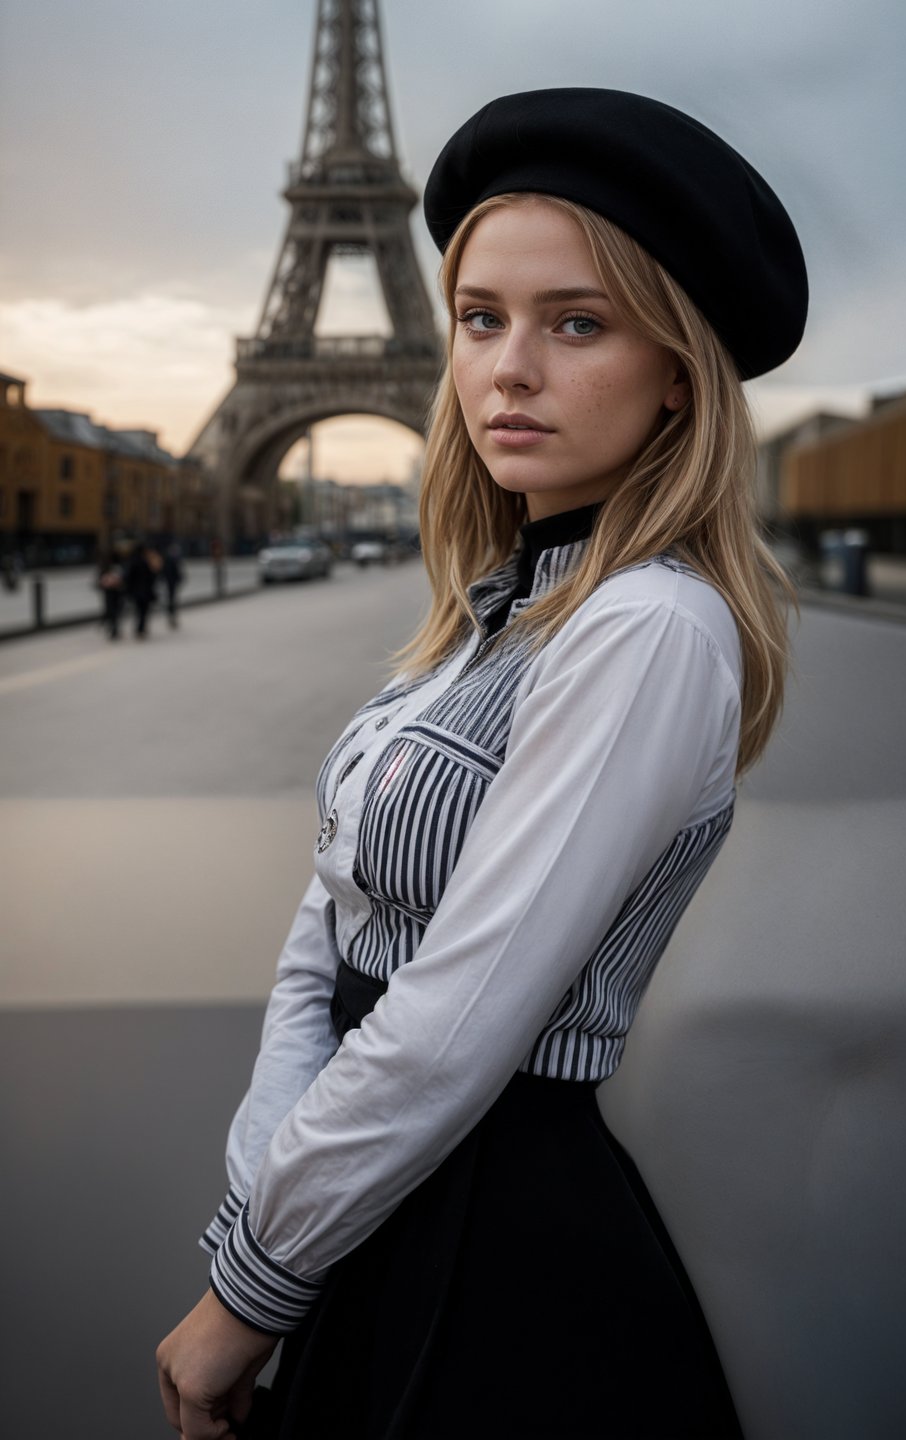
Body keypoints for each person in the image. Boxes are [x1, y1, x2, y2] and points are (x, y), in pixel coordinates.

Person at [156, 88, 808, 1440]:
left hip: (494, 1248)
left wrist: (248, 1292)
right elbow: (327, 928)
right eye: (481, 318)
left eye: (578, 322)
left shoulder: (646, 627)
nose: (510, 367)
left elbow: (455, 1024)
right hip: (367, 1214)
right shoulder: (486, 619)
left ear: (679, 365)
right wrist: (262, 1202)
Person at [124, 540, 159, 638]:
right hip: (145, 591)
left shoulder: (131, 561)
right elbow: (152, 577)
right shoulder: (145, 562)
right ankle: (141, 628)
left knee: (138, 610)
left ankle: (139, 628)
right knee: (144, 611)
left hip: (136, 591)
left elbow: (128, 577)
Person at [95, 549, 125, 639]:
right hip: (113, 593)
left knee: (113, 611)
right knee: (113, 611)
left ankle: (112, 628)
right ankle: (113, 629)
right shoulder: (117, 568)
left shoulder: (108, 568)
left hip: (113, 593)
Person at [163, 540, 186, 627]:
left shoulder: (172, 559)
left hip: (171, 582)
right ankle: (171, 616)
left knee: (172, 599)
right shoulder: (171, 560)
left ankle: (172, 616)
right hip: (171, 582)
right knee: (171, 599)